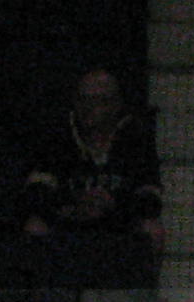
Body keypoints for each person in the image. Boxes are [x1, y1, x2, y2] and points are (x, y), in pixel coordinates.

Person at [22, 66, 163, 256]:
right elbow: (36, 192)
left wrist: (112, 205)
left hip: (118, 219)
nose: (89, 107)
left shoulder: (134, 138)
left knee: (152, 230)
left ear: (116, 104)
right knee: (35, 227)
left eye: (99, 100)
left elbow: (151, 195)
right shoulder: (58, 136)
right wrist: (75, 204)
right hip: (70, 217)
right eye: (83, 99)